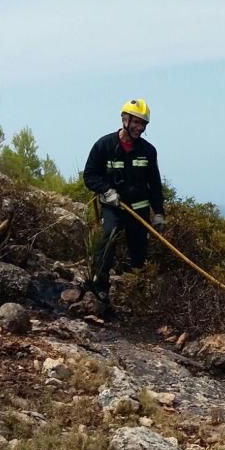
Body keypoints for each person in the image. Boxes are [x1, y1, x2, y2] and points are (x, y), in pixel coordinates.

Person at [83, 99, 165, 301]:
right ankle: (99, 287)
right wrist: (106, 190)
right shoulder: (104, 146)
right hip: (114, 208)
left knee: (139, 252)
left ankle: (136, 294)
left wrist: (159, 212)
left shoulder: (148, 151)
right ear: (125, 119)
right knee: (108, 240)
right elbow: (90, 175)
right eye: (136, 122)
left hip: (140, 211)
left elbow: (154, 184)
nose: (139, 127)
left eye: (143, 124)